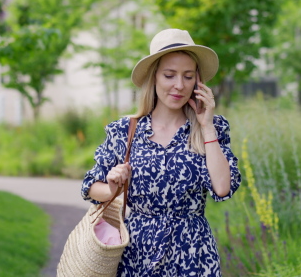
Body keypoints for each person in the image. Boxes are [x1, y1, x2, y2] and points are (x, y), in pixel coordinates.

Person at [81, 28, 241, 276]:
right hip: (137, 253)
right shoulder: (125, 130)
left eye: (188, 77)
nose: (179, 85)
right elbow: (91, 186)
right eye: (169, 75)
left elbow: (222, 188)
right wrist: (113, 186)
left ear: (198, 82)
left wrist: (207, 125)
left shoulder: (211, 128)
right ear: (154, 77)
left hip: (193, 253)